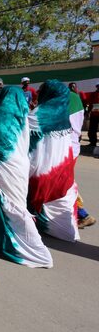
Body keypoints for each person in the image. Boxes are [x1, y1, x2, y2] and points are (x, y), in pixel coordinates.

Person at [0, 87, 53, 268]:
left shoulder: (0, 121)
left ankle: (34, 249)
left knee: (11, 207)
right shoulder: (22, 117)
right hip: (19, 166)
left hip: (4, 168)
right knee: (3, 203)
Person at [28, 80, 79, 242]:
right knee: (62, 192)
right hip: (63, 164)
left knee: (41, 191)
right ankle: (67, 230)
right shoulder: (62, 113)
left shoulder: (39, 114)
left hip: (43, 165)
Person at [68, 83, 96, 229]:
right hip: (71, 148)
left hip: (65, 152)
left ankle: (83, 214)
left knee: (65, 185)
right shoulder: (75, 99)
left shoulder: (69, 99)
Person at [80, 83, 99, 157]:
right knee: (92, 130)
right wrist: (87, 112)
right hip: (94, 115)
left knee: (92, 129)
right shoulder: (93, 94)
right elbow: (89, 104)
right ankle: (92, 142)